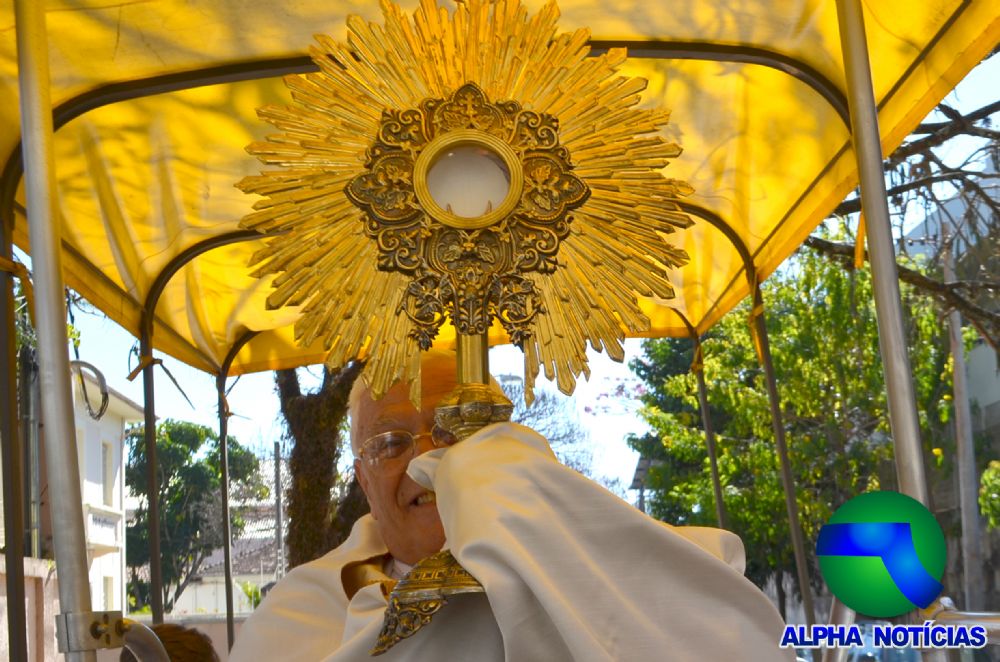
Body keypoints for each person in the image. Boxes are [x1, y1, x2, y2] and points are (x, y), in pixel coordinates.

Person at [231, 352, 793, 661]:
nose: (426, 459)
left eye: (452, 431)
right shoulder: (301, 613)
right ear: (363, 479)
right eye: (392, 443)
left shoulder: (615, 566)